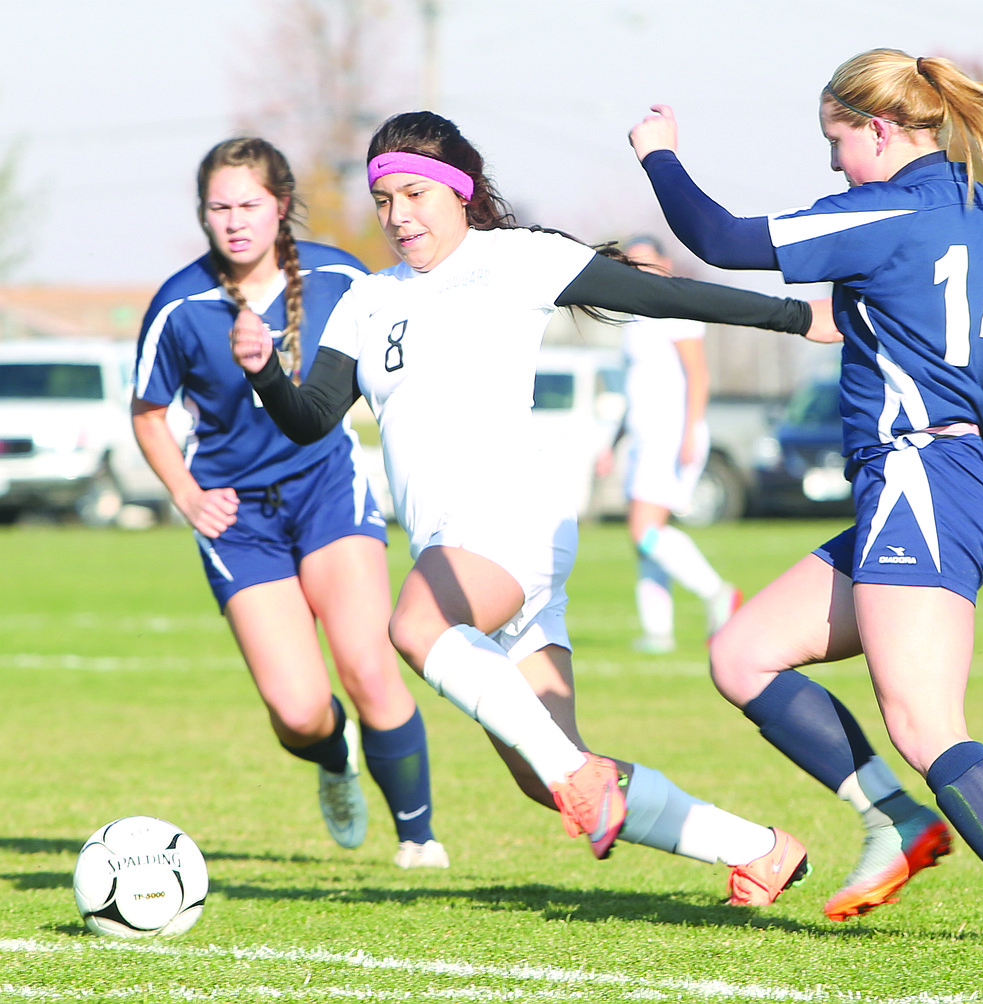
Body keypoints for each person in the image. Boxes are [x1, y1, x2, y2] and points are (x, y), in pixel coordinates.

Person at [231, 110, 839, 906]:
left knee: (415, 629)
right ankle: (758, 848)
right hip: (455, 548)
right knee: (546, 770)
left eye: (416, 194)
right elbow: (312, 417)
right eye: (384, 201)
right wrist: (264, 373)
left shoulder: (517, 261)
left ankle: (581, 778)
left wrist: (796, 316)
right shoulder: (366, 299)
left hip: (509, 520)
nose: (398, 216)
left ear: (462, 193)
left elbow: (661, 296)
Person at [628, 49, 983, 947]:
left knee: (925, 721)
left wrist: (657, 153)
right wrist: (970, 385)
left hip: (922, 483)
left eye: (836, 141)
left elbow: (724, 238)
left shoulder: (882, 210)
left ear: (880, 130)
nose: (832, 164)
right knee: (744, 655)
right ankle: (897, 820)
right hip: (932, 482)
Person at [132, 137, 448, 870]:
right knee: (300, 710)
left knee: (369, 665)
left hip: (328, 491)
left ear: (280, 206)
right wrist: (185, 493)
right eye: (220, 208)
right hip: (240, 521)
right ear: (203, 216)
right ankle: (333, 757)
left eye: (249, 204)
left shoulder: (343, 277)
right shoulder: (181, 304)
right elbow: (148, 413)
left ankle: (419, 838)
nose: (235, 221)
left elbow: (407, 352)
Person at [595, 235, 741, 654]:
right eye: (631, 263)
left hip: (669, 435)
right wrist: (613, 443)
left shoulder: (675, 308)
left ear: (665, 263)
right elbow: (633, 389)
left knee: (645, 532)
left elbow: (698, 375)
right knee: (644, 537)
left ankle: (718, 593)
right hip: (643, 437)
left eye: (646, 261)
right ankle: (657, 632)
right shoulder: (632, 316)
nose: (638, 269)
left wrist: (690, 430)